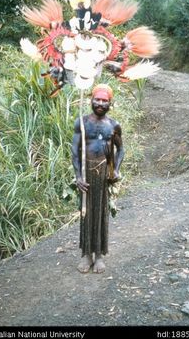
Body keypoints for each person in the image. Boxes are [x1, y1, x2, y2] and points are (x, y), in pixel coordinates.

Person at [71, 84, 124, 273]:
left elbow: (121, 150)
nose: (100, 103)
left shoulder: (113, 125)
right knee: (86, 212)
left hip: (103, 175)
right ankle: (86, 255)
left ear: (110, 102)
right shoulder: (82, 123)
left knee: (101, 212)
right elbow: (75, 152)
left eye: (104, 100)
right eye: (97, 99)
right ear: (91, 100)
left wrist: (115, 170)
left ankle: (99, 256)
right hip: (85, 174)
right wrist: (78, 176)